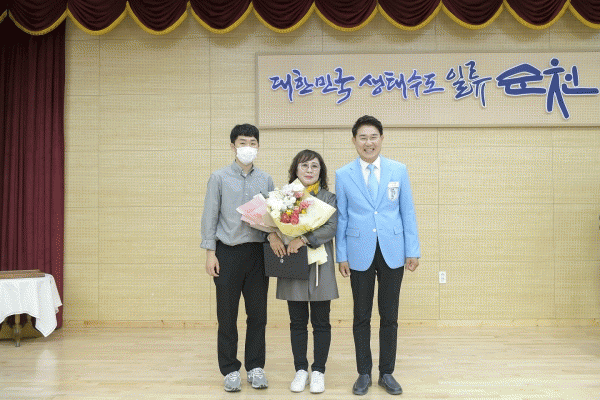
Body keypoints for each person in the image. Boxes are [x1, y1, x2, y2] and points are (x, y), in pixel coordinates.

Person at [335, 115, 420, 396]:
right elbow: (342, 217)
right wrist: (341, 255)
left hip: (393, 250)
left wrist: (412, 250)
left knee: (389, 315)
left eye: (373, 137)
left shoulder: (398, 170)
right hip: (358, 251)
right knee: (361, 315)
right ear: (354, 141)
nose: (368, 142)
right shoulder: (343, 174)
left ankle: (386, 373)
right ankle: (363, 373)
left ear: (382, 139)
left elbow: (407, 211)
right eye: (363, 137)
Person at [201, 123, 274, 392]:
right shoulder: (219, 177)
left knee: (258, 315)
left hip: (257, 254)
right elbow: (210, 216)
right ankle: (230, 369)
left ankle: (255, 367)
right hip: (227, 253)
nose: (248, 147)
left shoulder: (266, 179)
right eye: (243, 143)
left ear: (258, 146)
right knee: (227, 315)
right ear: (233, 146)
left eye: (252, 143)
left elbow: (273, 216)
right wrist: (211, 253)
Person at [267, 149, 338, 394]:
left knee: (321, 321)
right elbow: (271, 223)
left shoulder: (329, 198)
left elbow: (331, 227)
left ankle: (318, 371)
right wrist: (275, 235)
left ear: (321, 171)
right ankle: (300, 370)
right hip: (293, 262)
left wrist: (304, 239)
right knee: (297, 321)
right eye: (304, 166)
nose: (309, 170)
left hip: (320, 265)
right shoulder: (284, 197)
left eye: (314, 166)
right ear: (295, 170)